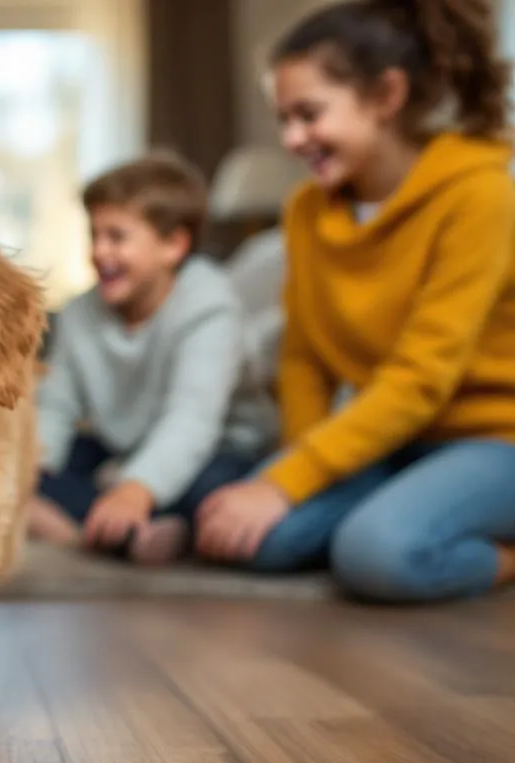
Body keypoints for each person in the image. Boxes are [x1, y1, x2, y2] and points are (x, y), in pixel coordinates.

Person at [196, 0, 515, 603]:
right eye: (283, 119)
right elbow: (303, 359)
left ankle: (502, 558)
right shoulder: (306, 212)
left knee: (376, 555)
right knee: (250, 537)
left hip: (497, 441)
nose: (292, 139)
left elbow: (420, 380)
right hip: (395, 440)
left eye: (309, 114)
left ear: (386, 95)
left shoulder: (481, 196)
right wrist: (298, 465)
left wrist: (287, 484)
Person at [27, 151, 276, 565]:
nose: (99, 251)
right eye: (94, 234)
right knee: (25, 463)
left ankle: (105, 523)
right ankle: (126, 532)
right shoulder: (80, 313)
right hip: (125, 443)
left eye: (117, 237)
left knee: (214, 489)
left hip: (218, 445)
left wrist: (136, 489)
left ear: (173, 245)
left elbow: (191, 421)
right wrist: (33, 470)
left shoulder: (210, 307)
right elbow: (56, 405)